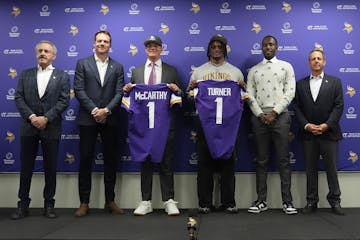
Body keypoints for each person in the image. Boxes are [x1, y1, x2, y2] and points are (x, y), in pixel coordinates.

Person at [123, 35, 182, 216]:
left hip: (165, 125)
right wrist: (126, 91)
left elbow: (180, 97)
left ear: (161, 48)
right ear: (145, 49)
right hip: (144, 126)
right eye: (149, 45)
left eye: (155, 45)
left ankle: (168, 200)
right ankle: (145, 200)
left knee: (166, 162)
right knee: (145, 162)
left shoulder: (171, 71)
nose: (152, 48)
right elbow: (132, 98)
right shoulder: (137, 71)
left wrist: (176, 90)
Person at [187, 34, 245, 214]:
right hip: (205, 125)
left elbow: (242, 100)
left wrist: (243, 88)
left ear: (225, 49)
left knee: (228, 165)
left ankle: (228, 202)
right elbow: (191, 99)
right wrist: (190, 90)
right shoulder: (198, 72)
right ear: (209, 49)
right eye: (213, 46)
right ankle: (205, 203)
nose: (217, 49)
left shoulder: (235, 72)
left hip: (228, 126)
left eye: (220, 46)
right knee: (204, 165)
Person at [12, 40, 70, 219]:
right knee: (26, 167)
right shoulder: (25, 74)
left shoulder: (62, 76)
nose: (43, 53)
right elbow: (19, 98)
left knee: (50, 167)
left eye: (46, 51)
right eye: (40, 51)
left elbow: (63, 101)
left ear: (54, 56)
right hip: (28, 127)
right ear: (36, 54)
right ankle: (23, 205)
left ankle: (49, 205)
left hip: (51, 127)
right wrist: (32, 117)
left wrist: (46, 118)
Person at [74, 30, 124, 217]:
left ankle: (110, 201)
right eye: (99, 41)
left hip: (110, 119)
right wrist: (95, 111)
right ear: (94, 43)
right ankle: (84, 202)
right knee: (86, 159)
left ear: (110, 45)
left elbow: (119, 92)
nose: (102, 44)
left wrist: (106, 111)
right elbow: (79, 90)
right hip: (88, 119)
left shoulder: (117, 67)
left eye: (106, 41)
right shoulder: (82, 63)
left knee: (110, 160)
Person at [246, 35, 297, 215]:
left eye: (271, 44)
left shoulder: (286, 66)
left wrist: (275, 112)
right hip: (259, 119)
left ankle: (287, 202)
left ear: (276, 47)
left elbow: (290, 92)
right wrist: (261, 114)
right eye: (265, 45)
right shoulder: (253, 70)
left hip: (281, 117)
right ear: (261, 48)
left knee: (284, 160)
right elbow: (249, 95)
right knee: (261, 161)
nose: (268, 47)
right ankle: (261, 201)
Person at [294, 49, 345, 215]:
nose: (316, 61)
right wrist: (307, 125)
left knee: (331, 169)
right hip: (308, 134)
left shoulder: (335, 82)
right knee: (311, 170)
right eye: (313, 59)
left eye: (319, 58)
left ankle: (335, 201)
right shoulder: (300, 84)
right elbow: (297, 108)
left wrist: (326, 125)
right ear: (309, 63)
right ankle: (311, 202)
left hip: (329, 133)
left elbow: (339, 107)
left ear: (324, 62)